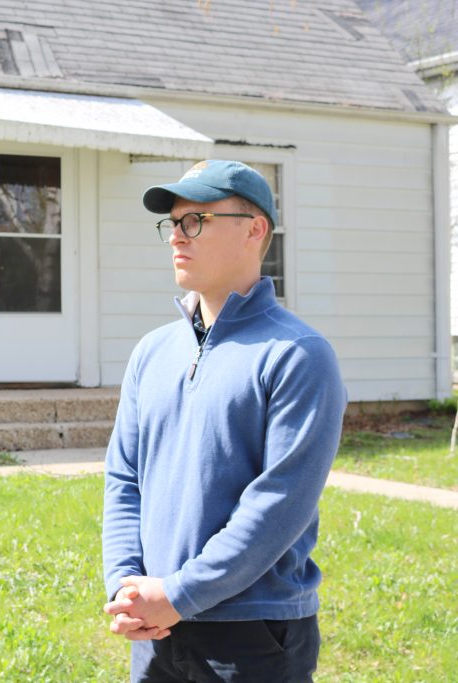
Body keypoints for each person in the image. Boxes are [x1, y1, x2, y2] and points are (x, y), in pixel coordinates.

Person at [101, 160, 347, 682]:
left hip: (251, 635)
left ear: (254, 229)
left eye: (196, 221)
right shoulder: (152, 352)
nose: (176, 237)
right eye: (173, 223)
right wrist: (126, 584)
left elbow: (278, 506)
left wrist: (180, 594)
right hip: (155, 627)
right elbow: (124, 480)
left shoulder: (298, 354)